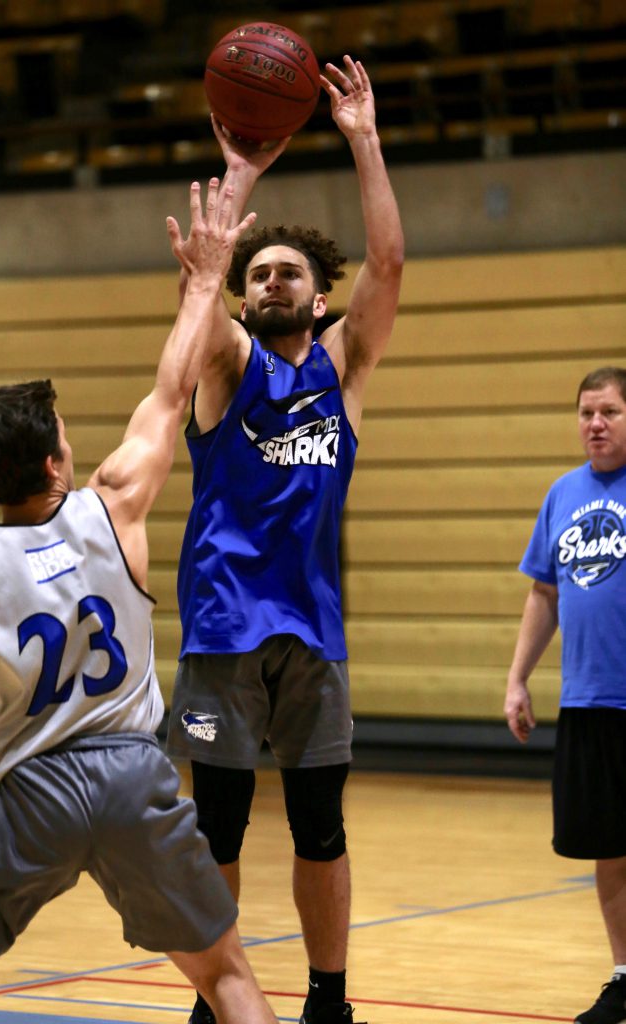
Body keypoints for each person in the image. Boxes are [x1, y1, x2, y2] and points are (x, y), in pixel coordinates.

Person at [0, 178, 280, 1024]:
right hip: (135, 777)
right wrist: (206, 279)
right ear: (55, 464)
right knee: (229, 979)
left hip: (32, 790)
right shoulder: (115, 502)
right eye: (61, 433)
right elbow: (172, 390)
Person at [166, 56, 404, 1024]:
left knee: (320, 828)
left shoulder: (341, 367)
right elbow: (206, 282)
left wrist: (363, 139)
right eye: (256, 270)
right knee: (216, 829)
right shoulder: (227, 361)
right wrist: (241, 176)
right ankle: (218, 998)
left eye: (286, 272)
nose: (266, 279)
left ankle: (328, 999)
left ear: (316, 298)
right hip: (222, 628)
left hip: (311, 631)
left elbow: (387, 266)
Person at [505, 366, 626, 1024]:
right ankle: (624, 973)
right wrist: (517, 677)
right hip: (588, 702)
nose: (595, 424)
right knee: (609, 847)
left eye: (608, 411)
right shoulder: (561, 494)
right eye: (585, 413)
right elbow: (544, 592)